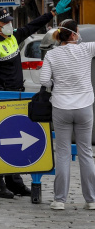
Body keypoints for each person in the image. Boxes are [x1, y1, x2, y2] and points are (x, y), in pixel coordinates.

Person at [0, 0, 72, 199]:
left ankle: (15, 183)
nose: (9, 25)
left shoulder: (13, 36)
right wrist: (0, 97)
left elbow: (32, 26)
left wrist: (53, 13)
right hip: (2, 99)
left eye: (9, 22)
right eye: (4, 23)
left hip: (17, 96)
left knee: (13, 141)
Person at [40, 19, 95, 210]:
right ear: (73, 34)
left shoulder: (51, 55)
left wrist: (56, 85)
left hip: (61, 107)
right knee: (86, 153)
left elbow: (44, 79)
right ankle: (91, 199)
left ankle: (59, 200)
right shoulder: (87, 49)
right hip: (84, 106)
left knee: (63, 153)